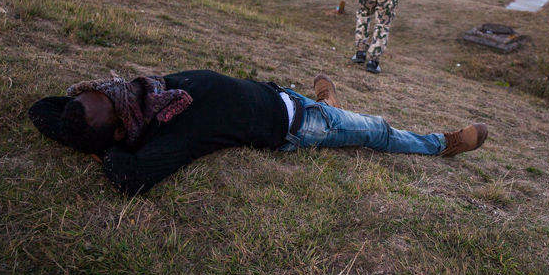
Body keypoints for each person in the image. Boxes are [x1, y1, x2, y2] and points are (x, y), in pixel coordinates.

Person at [29, 70, 488, 196]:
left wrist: (78, 131)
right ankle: (440, 144)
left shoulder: (145, 98)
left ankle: (326, 100)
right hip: (298, 125)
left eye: (107, 90)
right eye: (113, 98)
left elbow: (42, 108)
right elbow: (134, 179)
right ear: (119, 132)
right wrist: (100, 155)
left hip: (277, 94)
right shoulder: (173, 131)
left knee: (333, 111)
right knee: (377, 132)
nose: (120, 87)